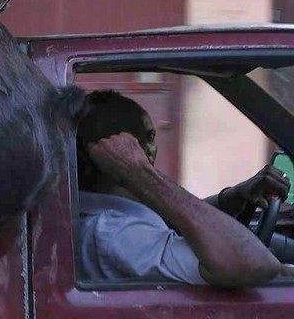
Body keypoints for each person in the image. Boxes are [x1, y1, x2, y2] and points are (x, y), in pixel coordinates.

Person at [76, 90, 288, 288]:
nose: (153, 148)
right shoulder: (117, 233)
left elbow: (175, 221)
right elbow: (254, 263)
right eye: (150, 137)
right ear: (132, 151)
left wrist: (233, 196)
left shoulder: (98, 213)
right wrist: (140, 173)